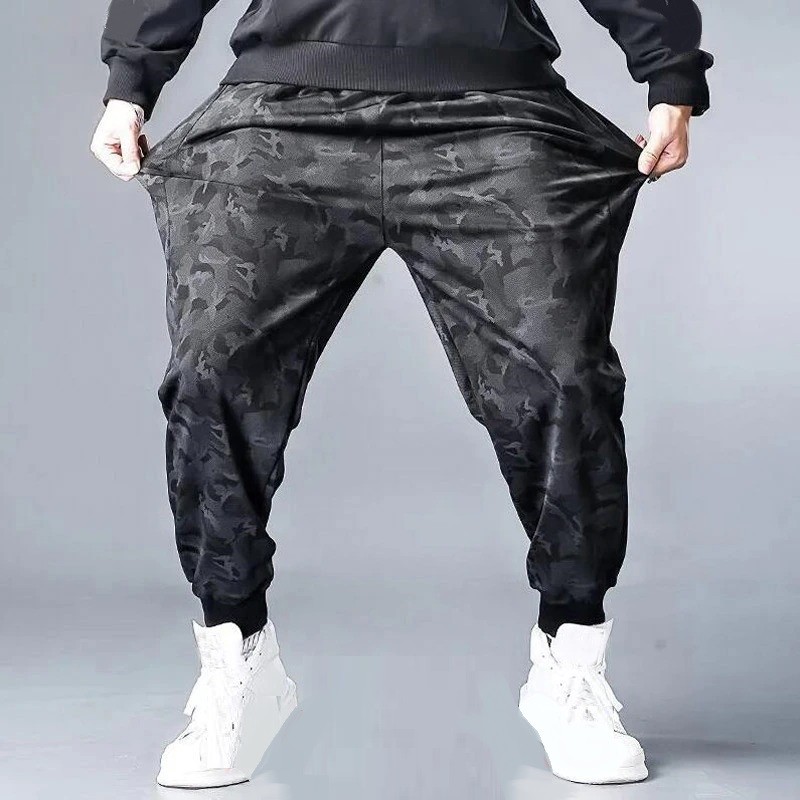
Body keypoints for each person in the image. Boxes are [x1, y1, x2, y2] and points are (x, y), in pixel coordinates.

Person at [91, 0, 713, 788]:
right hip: (284, 103)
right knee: (210, 372)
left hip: (493, 103)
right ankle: (235, 658)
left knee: (566, 377)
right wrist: (130, 82)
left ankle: (572, 658)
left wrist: (669, 73)